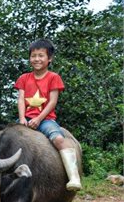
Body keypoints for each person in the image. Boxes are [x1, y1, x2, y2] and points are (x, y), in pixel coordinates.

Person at [15, 38, 82, 191]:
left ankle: (73, 175)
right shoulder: (24, 78)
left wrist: (38, 119)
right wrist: (22, 118)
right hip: (26, 119)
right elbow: (20, 100)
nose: (36, 59)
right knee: (8, 139)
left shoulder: (53, 78)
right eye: (33, 56)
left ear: (49, 58)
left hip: (46, 120)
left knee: (58, 139)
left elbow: (52, 102)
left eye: (41, 55)